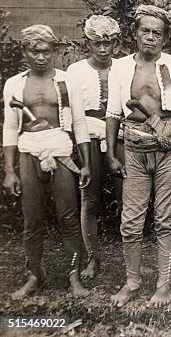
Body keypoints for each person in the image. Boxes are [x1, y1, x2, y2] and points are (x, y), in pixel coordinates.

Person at [106, 5, 171, 308]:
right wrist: (111, 153)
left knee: (164, 219)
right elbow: (112, 113)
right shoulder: (121, 67)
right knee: (131, 221)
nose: (150, 37)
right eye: (145, 31)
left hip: (168, 150)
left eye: (157, 33)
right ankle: (132, 282)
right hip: (134, 149)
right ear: (135, 33)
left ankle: (163, 285)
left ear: (165, 37)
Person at [3, 25, 92, 299]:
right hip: (29, 152)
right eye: (34, 51)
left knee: (67, 216)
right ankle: (35, 274)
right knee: (32, 219)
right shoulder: (15, 83)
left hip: (61, 152)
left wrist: (86, 163)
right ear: (25, 52)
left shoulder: (66, 82)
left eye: (46, 51)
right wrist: (9, 170)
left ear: (53, 51)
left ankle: (73, 276)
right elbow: (9, 127)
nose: (41, 57)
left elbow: (79, 123)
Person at [66, 15, 123, 280]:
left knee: (129, 199)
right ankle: (92, 259)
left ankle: (129, 260)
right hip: (86, 134)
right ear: (87, 43)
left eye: (108, 43)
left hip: (119, 133)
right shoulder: (75, 71)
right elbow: (72, 114)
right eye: (96, 43)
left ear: (116, 43)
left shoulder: (124, 67)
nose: (102, 49)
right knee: (89, 199)